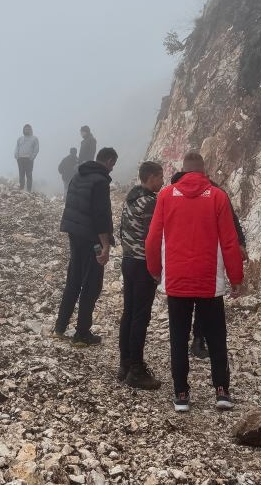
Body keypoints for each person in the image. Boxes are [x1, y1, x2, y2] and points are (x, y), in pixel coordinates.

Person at [146, 151, 244, 412]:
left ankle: (181, 394)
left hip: (177, 280)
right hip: (209, 280)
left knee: (178, 338)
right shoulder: (218, 196)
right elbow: (230, 241)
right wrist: (236, 277)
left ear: (183, 170)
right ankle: (222, 391)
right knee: (216, 337)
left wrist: (155, 270)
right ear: (203, 171)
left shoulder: (166, 195)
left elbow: (153, 238)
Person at [170, 167, 249, 360]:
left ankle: (189, 349)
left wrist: (239, 244)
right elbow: (232, 222)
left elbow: (231, 222)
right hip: (206, 262)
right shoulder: (215, 193)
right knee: (204, 302)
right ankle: (199, 341)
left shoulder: (211, 193)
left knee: (188, 309)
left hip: (192, 262)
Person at [52, 147, 118, 347]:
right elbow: (101, 215)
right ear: (108, 161)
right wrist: (105, 245)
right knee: (92, 284)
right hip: (92, 239)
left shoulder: (78, 174)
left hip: (74, 234)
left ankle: (60, 327)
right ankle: (81, 334)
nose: (112, 169)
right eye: (113, 165)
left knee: (74, 279)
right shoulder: (100, 181)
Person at [118, 161, 165, 390]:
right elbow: (152, 237)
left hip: (128, 260)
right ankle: (136, 370)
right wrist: (156, 268)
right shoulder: (150, 203)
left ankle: (125, 364)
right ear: (151, 177)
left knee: (129, 313)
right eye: (160, 177)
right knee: (140, 316)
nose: (162, 182)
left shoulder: (131, 198)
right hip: (142, 263)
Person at [14, 124, 39, 192]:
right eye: (25, 129)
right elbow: (17, 148)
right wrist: (16, 156)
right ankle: (21, 188)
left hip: (29, 159)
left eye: (28, 129)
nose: (26, 130)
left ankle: (28, 190)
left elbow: (36, 149)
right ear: (23, 130)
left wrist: (32, 157)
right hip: (20, 159)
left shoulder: (34, 139)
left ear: (30, 130)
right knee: (21, 174)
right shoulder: (20, 139)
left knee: (29, 175)